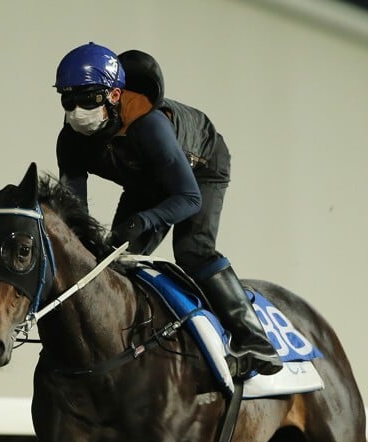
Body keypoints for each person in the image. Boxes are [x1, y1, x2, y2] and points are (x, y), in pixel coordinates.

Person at [53, 42, 283, 379]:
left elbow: (189, 198)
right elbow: (75, 213)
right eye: (68, 100)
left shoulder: (150, 126)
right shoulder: (70, 140)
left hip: (199, 168)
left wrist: (146, 218)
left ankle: (256, 342)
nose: (76, 112)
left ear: (115, 96)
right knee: (114, 260)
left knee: (192, 250)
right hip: (144, 175)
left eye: (87, 99)